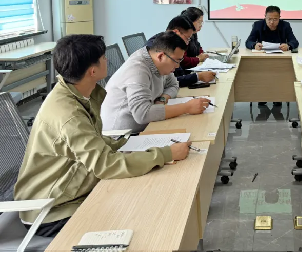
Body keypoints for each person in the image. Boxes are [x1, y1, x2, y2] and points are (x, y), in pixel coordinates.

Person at [13, 35, 192, 237]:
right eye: (104, 58)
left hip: (71, 185)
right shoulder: (69, 115)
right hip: (52, 209)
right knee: (139, 216)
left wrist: (129, 144)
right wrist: (165, 154)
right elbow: (106, 165)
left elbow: (96, 144)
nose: (108, 60)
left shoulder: (75, 93)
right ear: (93, 71)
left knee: (145, 192)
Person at [101, 31, 210, 133]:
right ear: (161, 56)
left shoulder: (160, 63)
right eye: (176, 61)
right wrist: (187, 107)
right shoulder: (138, 70)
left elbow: (174, 84)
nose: (177, 66)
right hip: (122, 136)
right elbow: (142, 114)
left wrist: (162, 99)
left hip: (148, 125)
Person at [246, 5, 299, 107]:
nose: (271, 22)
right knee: (262, 74)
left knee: (279, 73)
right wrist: (254, 45)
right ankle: (263, 96)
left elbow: (294, 41)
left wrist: (288, 46)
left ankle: (277, 96)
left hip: (280, 60)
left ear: (279, 18)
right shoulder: (258, 25)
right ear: (265, 17)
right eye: (269, 19)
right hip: (261, 61)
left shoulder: (285, 25)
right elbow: (248, 42)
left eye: (275, 19)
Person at [146, 15, 216, 87]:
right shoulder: (155, 48)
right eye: (187, 38)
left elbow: (175, 78)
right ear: (176, 32)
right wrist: (197, 77)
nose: (187, 43)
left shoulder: (171, 44)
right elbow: (166, 83)